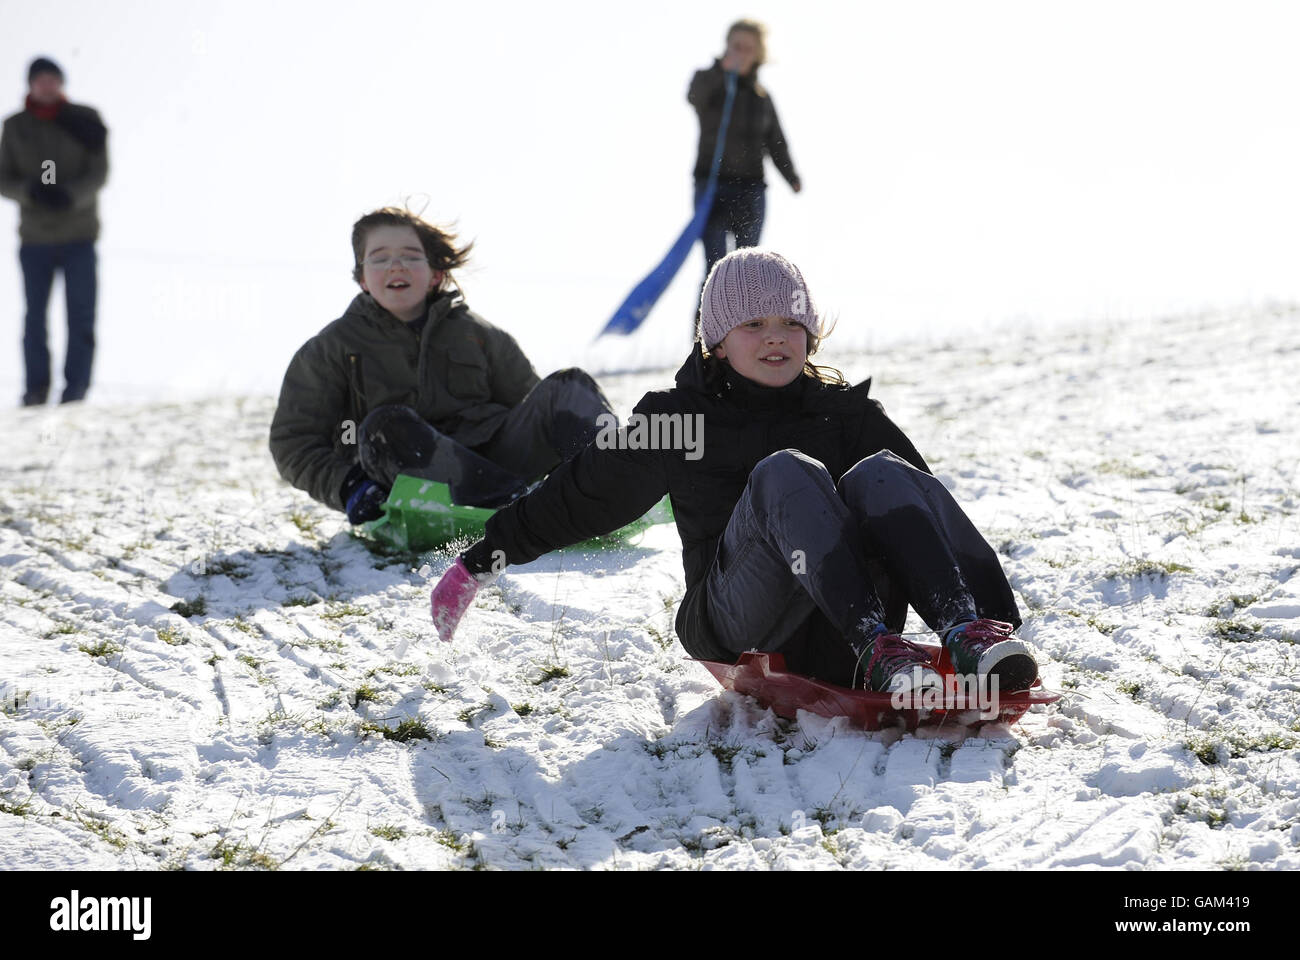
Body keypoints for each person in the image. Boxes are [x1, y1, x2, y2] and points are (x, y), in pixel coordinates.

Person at [430, 249, 1039, 697]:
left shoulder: (848, 417)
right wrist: (479, 561)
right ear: (716, 341)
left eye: (791, 325)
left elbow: (921, 518)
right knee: (785, 474)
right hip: (737, 618)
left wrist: (996, 618)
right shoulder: (680, 420)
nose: (776, 339)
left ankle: (967, 634)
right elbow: (585, 494)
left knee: (885, 473)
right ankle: (875, 645)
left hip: (837, 630)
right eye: (753, 325)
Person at [269, 207, 614, 524]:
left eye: (410, 256)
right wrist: (349, 487)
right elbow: (293, 441)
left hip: (498, 461)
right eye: (380, 258)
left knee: (569, 387)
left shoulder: (481, 336)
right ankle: (511, 506)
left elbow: (534, 411)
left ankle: (612, 484)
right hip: (415, 482)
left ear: (435, 274)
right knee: (383, 426)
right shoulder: (332, 348)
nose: (396, 266)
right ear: (362, 278)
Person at [0, 57, 109, 406]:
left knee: (81, 316)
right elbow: (3, 177)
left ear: (61, 83)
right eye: (40, 80)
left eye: (53, 79)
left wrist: (69, 195)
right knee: (35, 318)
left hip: (79, 236)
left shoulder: (86, 120)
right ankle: (36, 390)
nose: (47, 86)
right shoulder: (15, 127)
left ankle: (75, 391)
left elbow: (99, 172)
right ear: (30, 84)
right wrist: (30, 191)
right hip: (35, 239)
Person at [688, 20, 801, 332]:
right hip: (712, 187)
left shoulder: (762, 98)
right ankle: (703, 346)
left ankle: (742, 343)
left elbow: (776, 142)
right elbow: (694, 97)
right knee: (714, 270)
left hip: (751, 190)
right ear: (726, 46)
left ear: (758, 55)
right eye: (735, 46)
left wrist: (791, 176)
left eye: (747, 49)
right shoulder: (709, 81)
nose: (740, 53)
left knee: (745, 272)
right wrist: (720, 73)